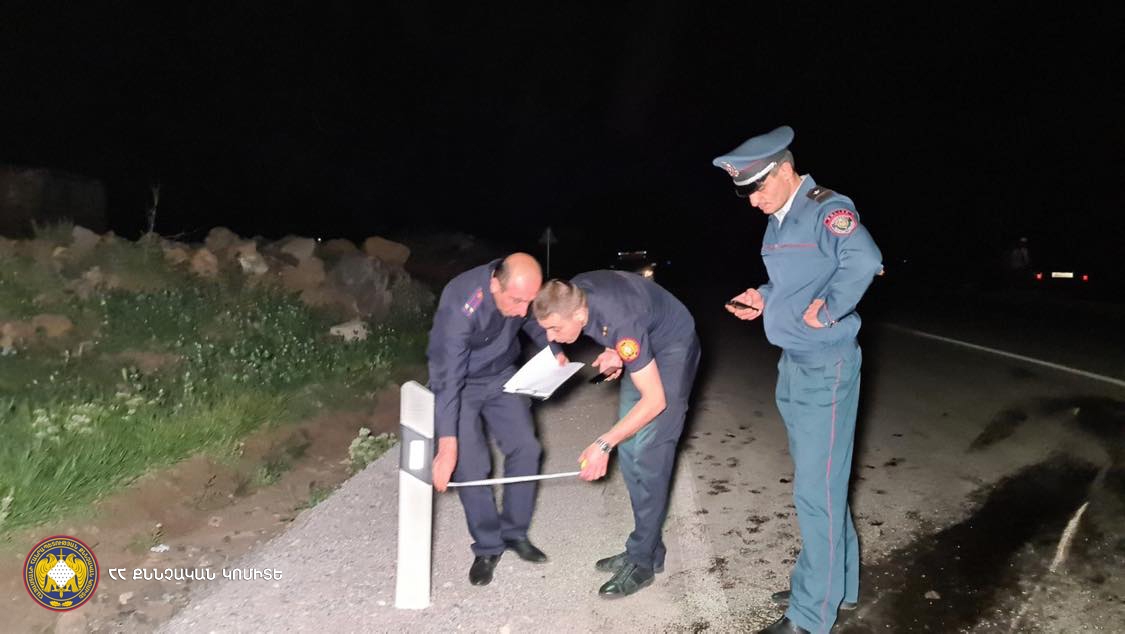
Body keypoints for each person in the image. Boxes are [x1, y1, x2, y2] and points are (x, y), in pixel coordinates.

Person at [713, 125, 883, 634]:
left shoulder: (826, 208)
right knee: (823, 486)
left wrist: (829, 311)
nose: (753, 200)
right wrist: (763, 296)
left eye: (758, 187)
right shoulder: (781, 218)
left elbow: (865, 260)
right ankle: (837, 585)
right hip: (794, 363)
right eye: (744, 192)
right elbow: (794, 280)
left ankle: (811, 616)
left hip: (825, 367)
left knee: (815, 492)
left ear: (785, 170)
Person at [531, 271, 700, 598]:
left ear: (578, 315)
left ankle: (642, 562)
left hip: (673, 347)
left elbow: (655, 400)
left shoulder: (624, 324)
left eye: (555, 328)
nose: (551, 336)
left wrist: (603, 443)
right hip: (640, 335)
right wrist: (615, 351)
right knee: (631, 451)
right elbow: (618, 320)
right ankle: (648, 547)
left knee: (649, 456)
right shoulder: (574, 293)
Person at [427, 252, 565, 586]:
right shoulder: (461, 303)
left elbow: (532, 320)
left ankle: (515, 532)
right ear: (494, 285)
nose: (522, 310)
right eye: (516, 301)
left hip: (502, 374)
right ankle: (488, 546)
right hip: (461, 382)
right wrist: (446, 446)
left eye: (529, 301)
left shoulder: (521, 295)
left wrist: (554, 350)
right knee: (471, 465)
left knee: (526, 448)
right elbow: (447, 379)